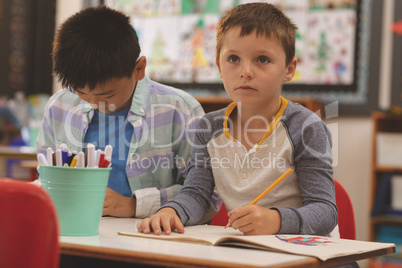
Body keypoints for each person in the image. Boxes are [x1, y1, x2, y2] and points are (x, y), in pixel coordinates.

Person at [137, 2, 338, 237]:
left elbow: (325, 211)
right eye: (233, 59)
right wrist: (172, 211)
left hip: (304, 250)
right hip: (246, 252)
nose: (246, 71)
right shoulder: (208, 127)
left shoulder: (306, 127)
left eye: (262, 59)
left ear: (289, 69)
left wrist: (276, 220)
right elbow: (197, 194)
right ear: (219, 67)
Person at [36, 5, 221, 220]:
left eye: (107, 96)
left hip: (150, 242)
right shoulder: (60, 106)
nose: (95, 104)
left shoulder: (179, 110)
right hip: (73, 232)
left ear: (139, 69)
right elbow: (46, 175)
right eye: (82, 94)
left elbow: (206, 195)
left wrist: (135, 206)